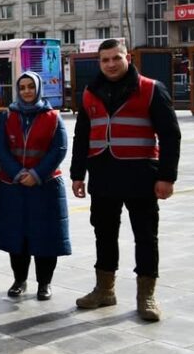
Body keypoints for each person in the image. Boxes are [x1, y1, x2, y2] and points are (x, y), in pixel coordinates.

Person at [71, 39, 180, 321]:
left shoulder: (152, 89)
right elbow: (82, 135)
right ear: (99, 62)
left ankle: (147, 296)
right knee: (104, 234)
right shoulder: (89, 92)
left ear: (127, 58)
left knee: (145, 236)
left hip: (141, 176)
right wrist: (77, 174)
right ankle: (104, 290)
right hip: (103, 175)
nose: (110, 64)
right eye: (105, 59)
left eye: (115, 58)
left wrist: (167, 177)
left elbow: (170, 136)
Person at [0, 72, 70, 301]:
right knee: (17, 236)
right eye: (22, 87)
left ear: (38, 89)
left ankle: (44, 283)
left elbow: (60, 149)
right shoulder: (8, 116)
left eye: (30, 87)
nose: (26, 91)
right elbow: (0, 147)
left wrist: (36, 174)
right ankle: (20, 280)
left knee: (46, 237)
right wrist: (17, 173)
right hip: (13, 186)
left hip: (44, 186)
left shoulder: (53, 117)